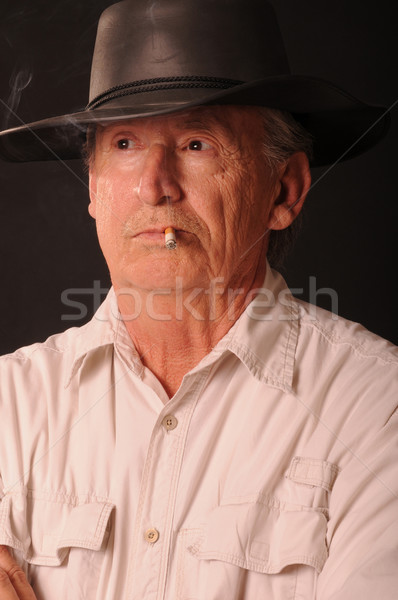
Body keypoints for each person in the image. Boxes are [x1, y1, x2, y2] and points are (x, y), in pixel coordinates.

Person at [0, 0, 396, 598]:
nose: (154, 186)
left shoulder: (377, 408)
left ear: (283, 190)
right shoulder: (10, 406)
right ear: (93, 188)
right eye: (126, 144)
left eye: (196, 144)